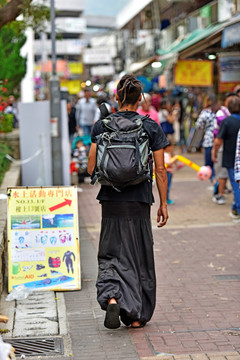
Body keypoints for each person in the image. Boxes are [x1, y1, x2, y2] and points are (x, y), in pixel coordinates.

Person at [87, 74, 169, 329]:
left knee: (111, 252)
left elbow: (91, 166)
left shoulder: (102, 125)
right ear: (140, 99)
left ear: (116, 98)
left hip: (111, 200)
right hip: (139, 199)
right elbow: (161, 170)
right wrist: (164, 204)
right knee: (138, 254)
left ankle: (112, 296)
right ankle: (135, 315)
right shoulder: (150, 126)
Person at [212, 96, 240, 221]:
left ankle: (238, 210)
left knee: (236, 185)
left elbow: (218, 141)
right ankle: (235, 208)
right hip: (233, 158)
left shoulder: (227, 121)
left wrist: (214, 152)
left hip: (232, 159)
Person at [212, 93, 235, 204]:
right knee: (222, 172)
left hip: (231, 147)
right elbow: (218, 135)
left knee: (227, 172)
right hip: (222, 147)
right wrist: (214, 151)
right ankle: (219, 193)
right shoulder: (222, 113)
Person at [196, 94, 218, 185]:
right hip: (219, 140)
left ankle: (214, 181)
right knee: (219, 165)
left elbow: (198, 126)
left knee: (209, 164)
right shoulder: (219, 111)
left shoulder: (205, 113)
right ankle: (220, 184)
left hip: (209, 140)